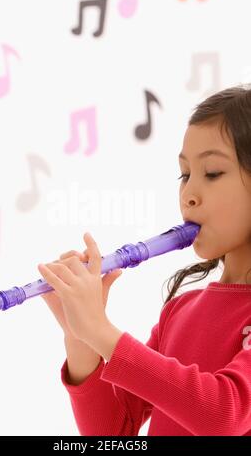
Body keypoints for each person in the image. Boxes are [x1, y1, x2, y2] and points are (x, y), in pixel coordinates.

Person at [37, 84, 251, 436]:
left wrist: (100, 331)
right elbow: (113, 433)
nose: (189, 195)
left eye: (212, 173)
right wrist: (81, 340)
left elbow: (223, 415)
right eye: (185, 175)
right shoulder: (178, 312)